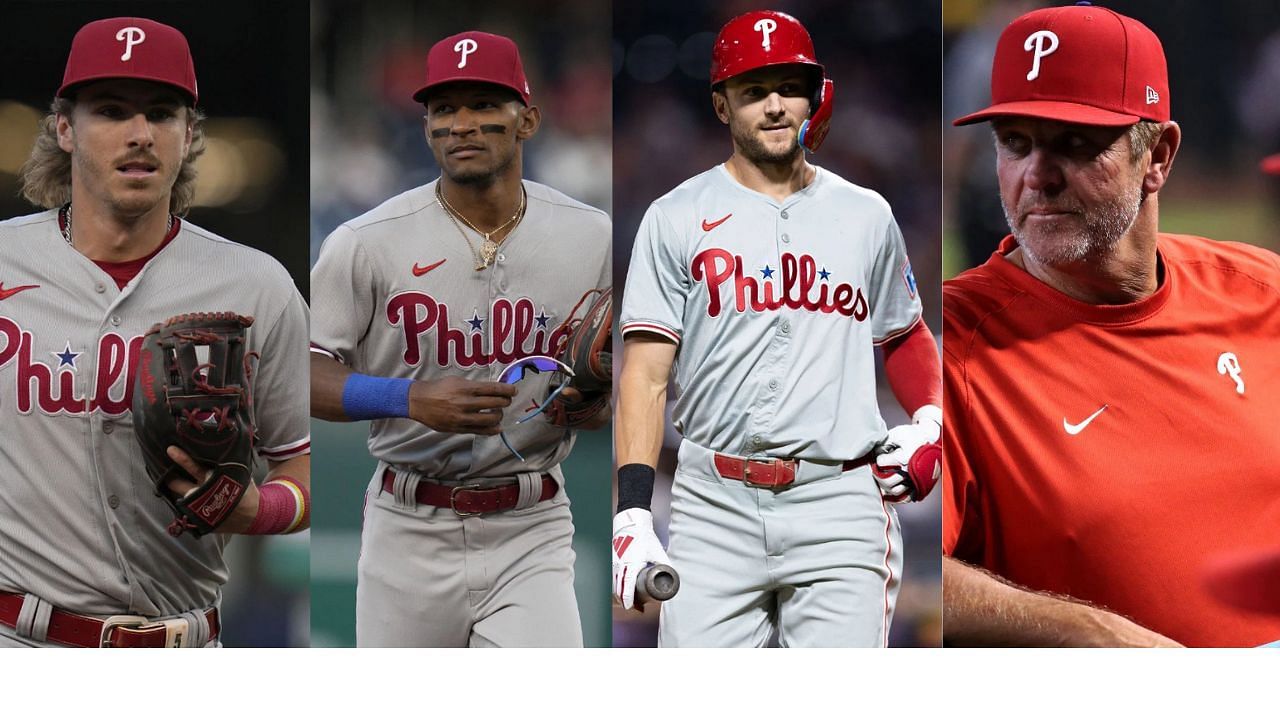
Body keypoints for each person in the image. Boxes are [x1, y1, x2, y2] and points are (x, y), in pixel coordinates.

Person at [943, 3, 1280, 647]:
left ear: (1158, 154)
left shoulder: (1260, 293)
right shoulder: (957, 347)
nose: (1036, 176)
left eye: (1074, 144)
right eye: (1015, 142)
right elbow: (882, 564)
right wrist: (1088, 634)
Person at [612, 10, 942, 648]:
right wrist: (631, 511)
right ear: (720, 105)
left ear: (815, 96)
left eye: (789, 88)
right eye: (752, 91)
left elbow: (904, 333)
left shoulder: (867, 214)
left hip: (840, 500)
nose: (774, 106)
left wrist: (929, 423)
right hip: (712, 503)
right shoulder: (674, 216)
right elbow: (646, 377)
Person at [0, 17, 311, 648]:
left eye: (162, 113)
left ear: (190, 134)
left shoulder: (257, 284)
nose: (140, 134)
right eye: (111, 111)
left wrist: (258, 509)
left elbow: (299, 465)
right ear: (64, 127)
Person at [310, 30, 611, 648]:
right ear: (425, 127)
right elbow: (299, 373)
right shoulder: (366, 240)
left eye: (482, 104)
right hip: (408, 523)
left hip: (532, 519)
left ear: (526, 119)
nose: (461, 124)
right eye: (444, 109)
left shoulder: (593, 236)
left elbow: (617, 383)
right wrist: (407, 400)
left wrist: (594, 401)